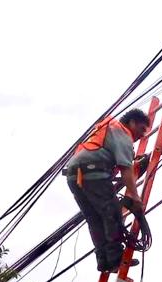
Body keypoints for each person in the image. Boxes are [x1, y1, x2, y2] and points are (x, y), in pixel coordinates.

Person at [64, 108, 151, 273]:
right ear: (131, 122)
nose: (141, 135)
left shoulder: (107, 129)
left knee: (95, 219)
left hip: (74, 176)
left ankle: (103, 261)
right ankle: (116, 259)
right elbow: (126, 169)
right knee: (112, 214)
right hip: (93, 172)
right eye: (140, 129)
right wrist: (135, 196)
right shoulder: (122, 133)